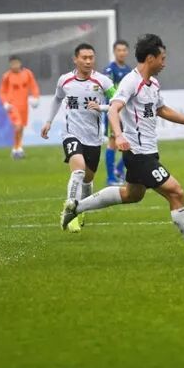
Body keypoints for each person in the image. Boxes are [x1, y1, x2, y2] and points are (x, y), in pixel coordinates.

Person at [61, 34, 184, 259]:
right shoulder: (131, 81)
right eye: (162, 58)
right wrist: (119, 136)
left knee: (132, 194)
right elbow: (113, 109)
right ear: (150, 58)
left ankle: (75, 208)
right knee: (176, 192)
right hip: (138, 154)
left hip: (149, 151)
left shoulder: (153, 84)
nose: (164, 63)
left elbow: (161, 109)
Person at [41, 43, 115, 232]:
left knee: (88, 181)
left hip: (93, 138)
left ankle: (81, 210)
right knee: (78, 170)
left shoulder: (103, 82)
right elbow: (57, 99)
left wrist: (102, 107)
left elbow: (118, 103)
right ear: (76, 59)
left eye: (91, 57)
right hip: (71, 134)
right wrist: (48, 121)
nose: (88, 61)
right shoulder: (65, 80)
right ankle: (69, 210)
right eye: (84, 58)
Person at [103, 40, 134, 185]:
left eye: (124, 50)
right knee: (113, 143)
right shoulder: (110, 70)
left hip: (127, 113)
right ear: (114, 52)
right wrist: (116, 111)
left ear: (127, 52)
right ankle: (110, 178)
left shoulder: (129, 71)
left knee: (132, 142)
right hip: (114, 112)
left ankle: (119, 169)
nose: (122, 53)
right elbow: (107, 92)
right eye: (119, 50)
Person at [0, 55, 40, 160]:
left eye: (16, 63)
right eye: (13, 64)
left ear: (20, 63)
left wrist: (35, 97)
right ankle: (15, 148)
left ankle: (18, 148)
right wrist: (5, 103)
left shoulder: (27, 73)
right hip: (12, 105)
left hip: (24, 105)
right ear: (10, 64)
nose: (15, 65)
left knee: (21, 127)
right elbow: (2, 91)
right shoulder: (7, 76)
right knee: (18, 125)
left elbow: (33, 86)